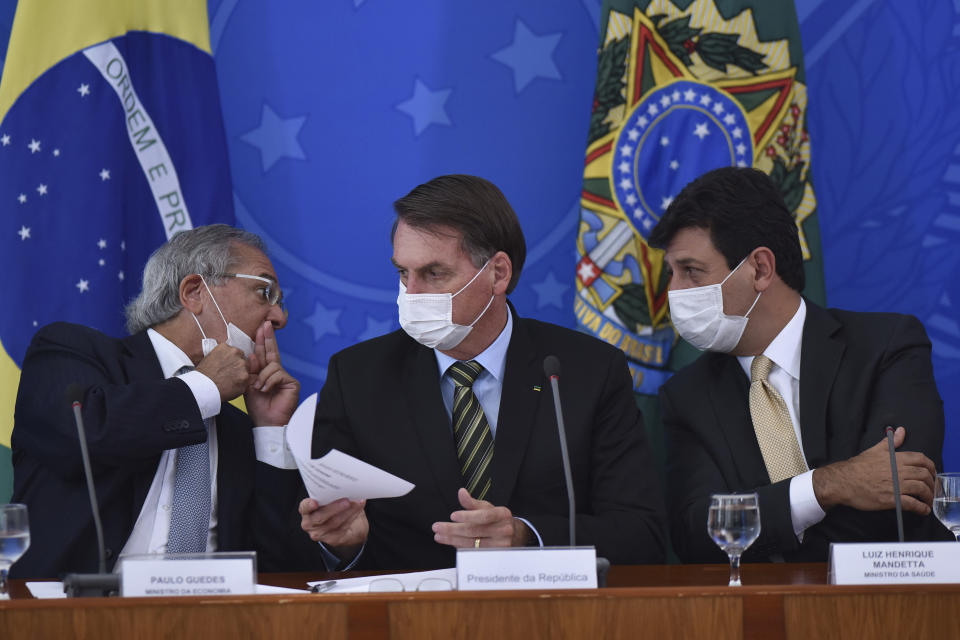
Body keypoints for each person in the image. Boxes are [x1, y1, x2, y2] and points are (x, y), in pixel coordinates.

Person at [299, 175, 667, 570]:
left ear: (498, 273)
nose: (412, 293)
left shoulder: (587, 370)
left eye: (434, 274)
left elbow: (640, 533)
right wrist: (344, 544)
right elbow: (309, 543)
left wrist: (527, 536)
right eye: (403, 273)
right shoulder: (358, 377)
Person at [649, 166, 949, 563]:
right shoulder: (686, 396)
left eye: (691, 271)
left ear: (760, 269)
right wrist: (828, 486)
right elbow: (698, 536)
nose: (673, 292)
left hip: (892, 611)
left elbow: (900, 500)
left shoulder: (886, 348)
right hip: (760, 618)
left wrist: (768, 519)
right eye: (671, 273)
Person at [11, 224, 323, 578]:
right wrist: (203, 386)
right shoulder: (69, 350)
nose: (279, 318)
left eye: (280, 303)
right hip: (75, 617)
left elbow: (283, 567)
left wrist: (268, 432)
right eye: (264, 292)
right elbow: (83, 435)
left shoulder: (237, 430)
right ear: (194, 292)